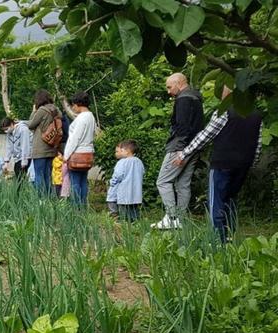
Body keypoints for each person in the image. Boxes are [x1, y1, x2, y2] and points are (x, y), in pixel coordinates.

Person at [173, 86, 263, 243]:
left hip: (223, 161)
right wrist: (253, 162)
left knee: (217, 201)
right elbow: (258, 142)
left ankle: (217, 239)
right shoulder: (256, 114)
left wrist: (184, 153)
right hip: (244, 163)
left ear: (227, 93)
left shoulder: (224, 111)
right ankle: (230, 234)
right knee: (231, 198)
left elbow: (206, 135)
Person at [153, 73, 204, 230]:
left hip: (180, 147)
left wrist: (181, 151)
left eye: (169, 87)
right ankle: (180, 220)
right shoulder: (196, 98)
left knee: (163, 181)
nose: (168, 91)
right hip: (195, 146)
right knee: (183, 184)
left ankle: (171, 217)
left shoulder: (183, 99)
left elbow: (182, 127)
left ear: (179, 83)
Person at [24, 90, 63, 196]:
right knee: (48, 176)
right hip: (52, 148)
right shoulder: (56, 110)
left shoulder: (41, 110)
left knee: (39, 175)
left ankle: (41, 201)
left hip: (40, 149)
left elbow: (31, 124)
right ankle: (49, 199)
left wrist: (34, 111)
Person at [62, 92, 96, 207]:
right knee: (83, 181)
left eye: (73, 105)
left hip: (78, 153)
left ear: (77, 104)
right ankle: (83, 206)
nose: (72, 108)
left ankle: (76, 208)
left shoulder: (81, 118)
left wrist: (66, 156)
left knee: (75, 182)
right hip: (88, 153)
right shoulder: (91, 116)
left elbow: (74, 139)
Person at [108, 140, 145, 222]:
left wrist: (112, 182)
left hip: (124, 192)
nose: (120, 152)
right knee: (134, 210)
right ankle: (135, 222)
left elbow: (118, 175)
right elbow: (143, 172)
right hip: (136, 193)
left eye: (122, 150)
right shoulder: (139, 162)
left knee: (124, 212)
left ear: (127, 151)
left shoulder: (122, 162)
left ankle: (123, 223)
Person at [0, 117, 32, 189]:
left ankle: (21, 194)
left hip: (27, 156)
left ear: (12, 124)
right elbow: (9, 147)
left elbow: (25, 145)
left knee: (21, 177)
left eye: (6, 129)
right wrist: (6, 162)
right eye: (4, 130)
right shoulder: (9, 133)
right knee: (17, 174)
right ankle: (19, 194)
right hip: (17, 157)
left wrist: (24, 161)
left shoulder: (23, 129)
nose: (6, 131)